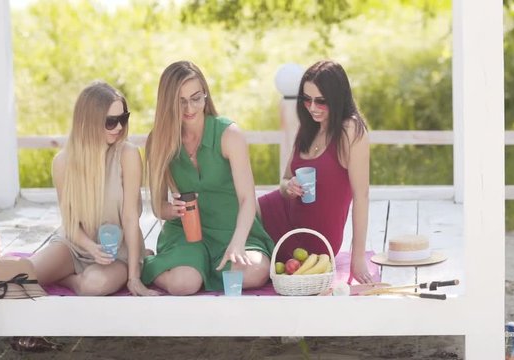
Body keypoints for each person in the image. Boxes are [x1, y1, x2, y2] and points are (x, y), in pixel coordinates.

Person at [141, 61, 274, 295]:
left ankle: (201, 272)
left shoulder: (228, 134)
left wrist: (238, 241)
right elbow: (158, 206)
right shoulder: (159, 141)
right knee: (184, 284)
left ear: (205, 95)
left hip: (232, 229)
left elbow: (247, 199)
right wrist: (174, 210)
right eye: (180, 101)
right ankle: (148, 263)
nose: (190, 108)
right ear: (167, 102)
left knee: (256, 271)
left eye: (196, 98)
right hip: (188, 235)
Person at [29, 82, 158, 296]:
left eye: (123, 119)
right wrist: (90, 247)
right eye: (111, 122)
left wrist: (134, 277)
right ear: (89, 122)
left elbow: (130, 219)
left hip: (117, 253)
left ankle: (67, 280)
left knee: (93, 286)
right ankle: (67, 272)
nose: (119, 127)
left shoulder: (128, 155)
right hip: (75, 245)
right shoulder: (62, 162)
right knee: (21, 275)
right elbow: (70, 221)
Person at [258, 60, 373, 284]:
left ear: (337, 98)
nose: (312, 108)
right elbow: (284, 180)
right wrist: (288, 187)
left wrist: (357, 259)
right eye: (306, 99)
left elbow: (362, 197)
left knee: (251, 252)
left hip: (315, 238)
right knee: (236, 212)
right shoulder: (309, 127)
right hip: (282, 211)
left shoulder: (350, 131)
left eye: (321, 101)